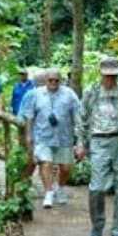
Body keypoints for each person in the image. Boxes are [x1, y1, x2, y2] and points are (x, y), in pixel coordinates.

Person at [75, 57, 118, 236]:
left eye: (114, 76)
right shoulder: (91, 93)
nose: (111, 79)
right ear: (101, 74)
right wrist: (80, 143)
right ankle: (97, 223)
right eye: (107, 76)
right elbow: (82, 120)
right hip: (98, 141)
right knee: (97, 187)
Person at [25, 68, 80, 209]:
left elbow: (78, 116)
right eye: (50, 80)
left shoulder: (69, 94)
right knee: (46, 163)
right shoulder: (36, 94)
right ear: (45, 80)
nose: (53, 83)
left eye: (56, 80)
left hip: (65, 137)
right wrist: (28, 135)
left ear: (60, 80)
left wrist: (79, 139)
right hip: (43, 136)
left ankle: (60, 188)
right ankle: (48, 192)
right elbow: (29, 116)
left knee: (66, 167)